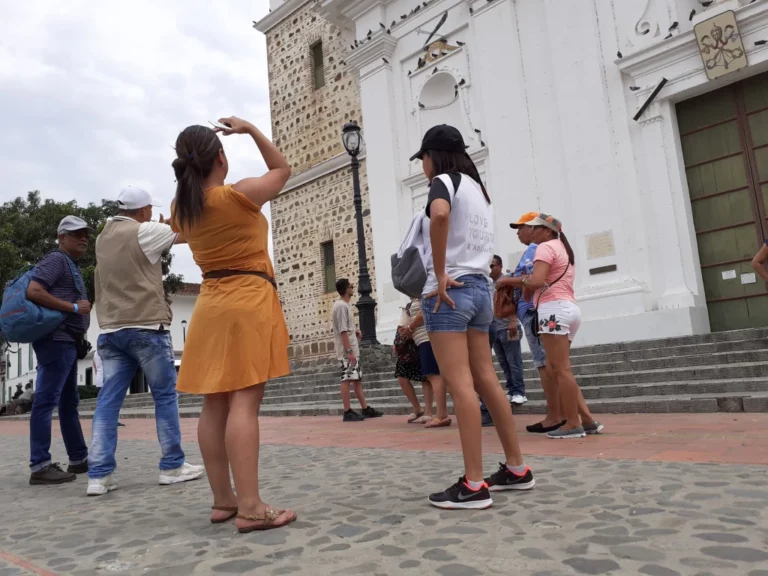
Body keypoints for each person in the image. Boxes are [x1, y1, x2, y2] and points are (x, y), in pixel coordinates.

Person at [170, 117, 296, 532]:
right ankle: (252, 506)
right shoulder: (238, 195)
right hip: (247, 298)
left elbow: (183, 232)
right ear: (220, 158)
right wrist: (252, 130)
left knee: (214, 403)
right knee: (245, 402)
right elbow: (282, 170)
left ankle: (223, 500)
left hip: (210, 302)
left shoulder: (181, 209)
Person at [411, 124, 535, 510]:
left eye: (423, 159)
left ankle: (474, 484)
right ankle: (517, 468)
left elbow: (440, 215)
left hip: (450, 292)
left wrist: (442, 270)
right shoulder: (480, 190)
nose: (423, 166)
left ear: (433, 156)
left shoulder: (443, 182)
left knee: (461, 384)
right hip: (481, 288)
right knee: (487, 380)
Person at [87, 186, 204, 496]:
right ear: (142, 211)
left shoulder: (102, 237)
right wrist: (169, 225)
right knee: (164, 396)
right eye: (150, 209)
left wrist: (162, 227)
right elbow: (187, 234)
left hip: (111, 329)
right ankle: (172, 466)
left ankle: (98, 475)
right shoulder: (145, 230)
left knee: (108, 401)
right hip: (146, 327)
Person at [498, 213, 603, 439]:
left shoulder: (544, 248)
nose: (532, 232)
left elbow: (537, 281)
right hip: (569, 309)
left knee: (559, 369)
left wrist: (515, 280)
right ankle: (585, 420)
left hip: (552, 310)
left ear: (546, 231)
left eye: (536, 228)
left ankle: (572, 423)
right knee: (561, 368)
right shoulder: (562, 248)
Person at [25, 216, 91, 485]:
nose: (83, 238)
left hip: (67, 342)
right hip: (56, 341)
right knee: (46, 401)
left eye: (86, 234)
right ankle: (40, 465)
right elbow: (34, 290)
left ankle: (78, 459)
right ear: (62, 237)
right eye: (76, 234)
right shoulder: (56, 259)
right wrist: (73, 308)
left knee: (67, 403)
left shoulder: (70, 263)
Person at [509, 212, 564, 433]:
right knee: (552, 364)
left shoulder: (540, 249)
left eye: (523, 227)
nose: (520, 232)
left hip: (539, 312)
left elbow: (535, 280)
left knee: (547, 364)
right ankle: (568, 415)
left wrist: (508, 281)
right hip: (542, 311)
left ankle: (556, 415)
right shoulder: (547, 249)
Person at [481, 254, 526, 427]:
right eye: (488, 266)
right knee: (503, 362)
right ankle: (511, 388)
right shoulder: (488, 284)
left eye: (492, 266)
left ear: (499, 266)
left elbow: (514, 301)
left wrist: (514, 321)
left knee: (514, 361)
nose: (489, 269)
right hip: (495, 328)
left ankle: (518, 391)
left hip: (509, 326)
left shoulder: (507, 280)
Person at [332, 278, 383, 422]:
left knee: (356, 379)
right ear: (346, 289)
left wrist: (354, 332)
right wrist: (349, 352)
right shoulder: (341, 306)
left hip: (351, 349)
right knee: (347, 379)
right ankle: (347, 411)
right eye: (351, 286)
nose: (353, 288)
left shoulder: (342, 305)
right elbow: (342, 330)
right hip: (348, 351)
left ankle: (365, 408)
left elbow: (345, 329)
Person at [400, 297, 451, 428]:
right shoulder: (419, 295)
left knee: (434, 376)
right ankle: (443, 413)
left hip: (427, 338)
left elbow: (424, 312)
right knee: (436, 376)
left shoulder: (424, 292)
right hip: (424, 338)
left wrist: (410, 328)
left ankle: (442, 415)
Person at [394, 302, 430, 424]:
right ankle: (417, 408)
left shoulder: (424, 299)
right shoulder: (408, 306)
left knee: (426, 378)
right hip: (408, 348)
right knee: (402, 377)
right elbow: (400, 327)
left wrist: (410, 329)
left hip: (422, 340)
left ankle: (429, 412)